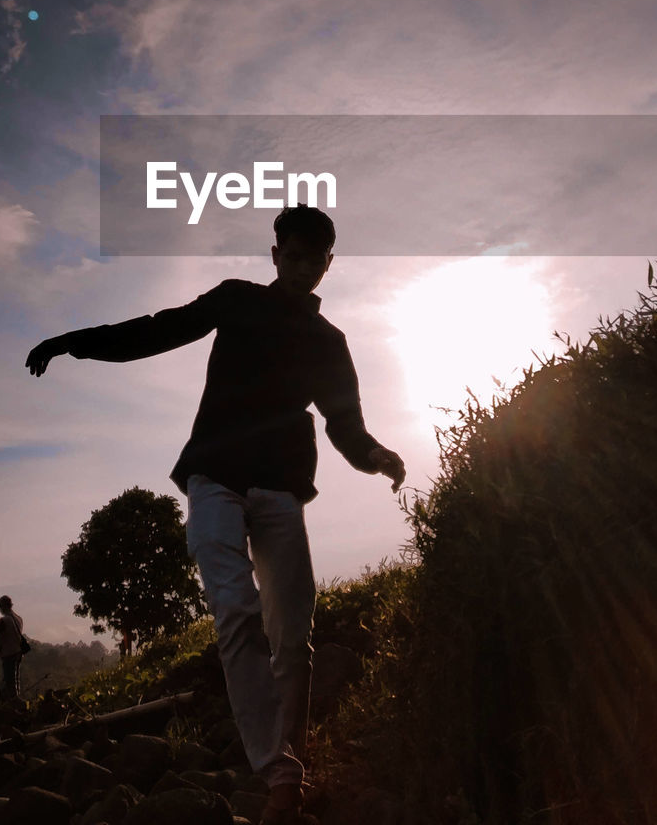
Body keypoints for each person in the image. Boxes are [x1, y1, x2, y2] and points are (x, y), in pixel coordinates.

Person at [25, 205, 405, 824]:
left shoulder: (328, 342)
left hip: (281, 490)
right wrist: (74, 344)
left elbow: (346, 426)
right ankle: (280, 776)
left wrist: (378, 457)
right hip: (214, 481)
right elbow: (156, 329)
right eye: (295, 254)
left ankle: (291, 762)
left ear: (328, 265)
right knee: (235, 610)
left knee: (294, 640)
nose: (304, 267)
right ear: (276, 253)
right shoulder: (236, 300)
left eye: (317, 259)